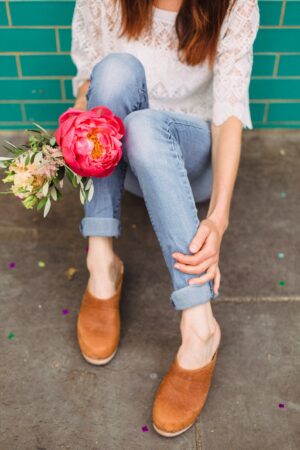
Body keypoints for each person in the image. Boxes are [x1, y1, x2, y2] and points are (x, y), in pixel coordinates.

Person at [70, 0, 259, 437]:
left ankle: (200, 327)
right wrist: (71, 138)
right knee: (114, 69)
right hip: (125, 165)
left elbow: (229, 113)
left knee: (144, 127)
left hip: (189, 163)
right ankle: (102, 265)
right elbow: (91, 90)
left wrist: (218, 219)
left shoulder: (235, 5)